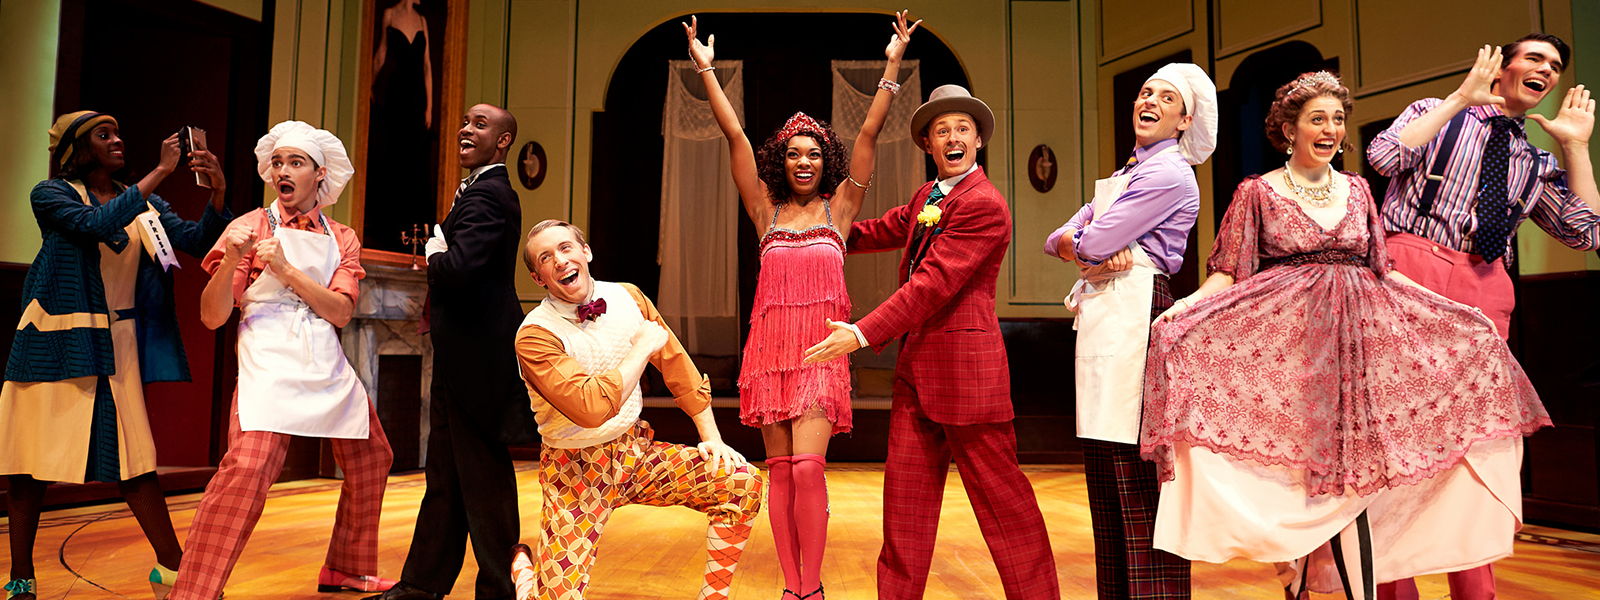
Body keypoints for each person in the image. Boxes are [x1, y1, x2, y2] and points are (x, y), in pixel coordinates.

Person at [1142, 71, 1551, 600]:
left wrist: (1455, 310)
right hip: (1295, 349)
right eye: (1317, 119)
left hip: (1360, 349)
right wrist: (1184, 309)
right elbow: (1229, 272)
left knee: (1358, 483)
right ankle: (1299, 584)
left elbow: (1384, 270)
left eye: (1337, 119)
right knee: (1300, 482)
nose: (1330, 129)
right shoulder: (1257, 191)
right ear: (1289, 129)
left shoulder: (1357, 189)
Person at [685, 11, 917, 599]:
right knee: (782, 474)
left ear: (825, 159)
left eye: (813, 153)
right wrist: (707, 71)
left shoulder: (841, 210)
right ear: (781, 162)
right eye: (793, 154)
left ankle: (812, 586)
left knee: (810, 469)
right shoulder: (764, 211)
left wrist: (892, 65)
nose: (804, 161)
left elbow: (868, 136)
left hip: (819, 352)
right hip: (770, 355)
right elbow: (735, 137)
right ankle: (795, 589)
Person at [804, 84, 1059, 600]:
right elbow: (879, 229)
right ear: (928, 143)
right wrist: (815, 227)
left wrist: (861, 333)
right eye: (942, 130)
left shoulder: (984, 204)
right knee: (905, 515)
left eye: (963, 128)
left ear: (979, 140)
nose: (953, 137)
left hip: (969, 379)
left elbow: (932, 284)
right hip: (916, 376)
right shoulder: (928, 197)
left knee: (1006, 511)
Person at [1366, 37, 1600, 599]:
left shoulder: (1533, 160)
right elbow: (1384, 157)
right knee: (1395, 433)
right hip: (1410, 268)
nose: (1547, 70)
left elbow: (1587, 232)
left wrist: (1575, 148)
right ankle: (1392, 586)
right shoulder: (1437, 114)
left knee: (1473, 444)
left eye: (1555, 66)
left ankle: (1476, 589)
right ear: (1502, 67)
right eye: (1535, 59)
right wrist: (1459, 99)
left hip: (1485, 284)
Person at [0, 111, 231, 600]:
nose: (117, 140)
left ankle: (173, 570)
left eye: (118, 132)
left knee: (134, 457)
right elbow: (93, 224)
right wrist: (160, 171)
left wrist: (217, 194)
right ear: (78, 150)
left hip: (116, 343)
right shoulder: (52, 194)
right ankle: (21, 577)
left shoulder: (145, 203)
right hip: (55, 340)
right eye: (103, 135)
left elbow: (195, 241)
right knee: (29, 459)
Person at [170, 121, 395, 599]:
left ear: (320, 173)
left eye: (296, 162)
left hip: (322, 354)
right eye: (277, 163)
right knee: (248, 468)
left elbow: (340, 312)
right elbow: (212, 317)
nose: (283, 172)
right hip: (269, 353)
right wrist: (233, 259)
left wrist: (286, 269)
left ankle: (347, 568)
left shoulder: (342, 237)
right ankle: (193, 591)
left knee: (372, 455)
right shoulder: (249, 226)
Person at [506, 220, 765, 600]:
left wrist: (712, 437)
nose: (559, 260)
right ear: (538, 278)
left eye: (565, 248)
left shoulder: (628, 297)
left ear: (586, 252)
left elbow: (676, 364)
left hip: (635, 452)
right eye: (546, 258)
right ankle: (525, 576)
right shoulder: (534, 335)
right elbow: (590, 408)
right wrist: (641, 348)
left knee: (741, 483)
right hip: (574, 473)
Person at [1044, 63, 1218, 600]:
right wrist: (1081, 242)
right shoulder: (1131, 170)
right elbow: (1058, 238)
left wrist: (1085, 242)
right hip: (1107, 315)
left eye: (1166, 98)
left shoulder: (1169, 173)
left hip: (1141, 315)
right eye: (1145, 93)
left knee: (1137, 480)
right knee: (1105, 480)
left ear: (1184, 120)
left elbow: (1092, 241)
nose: (1149, 102)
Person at [370, 103, 538, 600]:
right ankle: (422, 585)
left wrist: (433, 251)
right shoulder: (478, 190)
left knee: (482, 474)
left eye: (480, 125)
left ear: (503, 141)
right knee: (445, 474)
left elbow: (458, 268)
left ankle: (502, 586)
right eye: (465, 122)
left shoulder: (489, 193)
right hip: (461, 353)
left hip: (477, 355)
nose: (465, 129)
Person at [365, 0, 435, 252]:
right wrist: (368, 85)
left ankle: (414, 229)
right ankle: (390, 229)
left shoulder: (422, 20)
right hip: (397, 94)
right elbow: (381, 55)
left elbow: (427, 66)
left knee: (416, 159)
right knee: (394, 156)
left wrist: (429, 107)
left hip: (417, 98)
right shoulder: (390, 14)